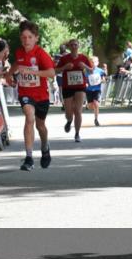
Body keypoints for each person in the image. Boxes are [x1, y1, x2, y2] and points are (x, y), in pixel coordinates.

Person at [6, 20, 56, 171]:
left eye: (29, 37)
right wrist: (9, 73)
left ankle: (45, 146)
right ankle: (29, 157)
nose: (26, 40)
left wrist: (32, 72)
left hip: (41, 96)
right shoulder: (20, 51)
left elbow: (52, 73)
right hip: (25, 93)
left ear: (36, 38)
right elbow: (17, 63)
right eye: (23, 37)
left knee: (41, 126)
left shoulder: (41, 54)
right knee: (29, 118)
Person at [56, 39, 93, 142]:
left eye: (75, 45)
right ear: (69, 47)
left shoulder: (83, 58)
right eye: (72, 45)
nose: (74, 47)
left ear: (78, 46)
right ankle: (69, 120)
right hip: (67, 87)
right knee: (69, 112)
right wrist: (64, 67)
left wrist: (84, 66)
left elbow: (92, 70)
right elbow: (55, 70)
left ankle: (77, 133)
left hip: (80, 86)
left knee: (78, 110)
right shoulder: (64, 58)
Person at [85, 56, 107, 127]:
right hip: (89, 90)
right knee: (91, 106)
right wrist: (86, 84)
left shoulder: (100, 71)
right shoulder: (87, 71)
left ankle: (96, 119)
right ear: (90, 63)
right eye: (92, 62)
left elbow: (104, 79)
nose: (93, 63)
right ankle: (87, 106)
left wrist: (102, 80)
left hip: (97, 90)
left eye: (95, 62)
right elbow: (85, 80)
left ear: (97, 63)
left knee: (96, 104)